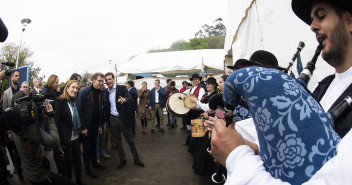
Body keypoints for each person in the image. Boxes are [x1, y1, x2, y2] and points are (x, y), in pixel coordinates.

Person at [10, 97, 76, 185]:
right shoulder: (31, 131)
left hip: (29, 173)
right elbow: (55, 141)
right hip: (40, 176)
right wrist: (50, 117)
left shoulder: (16, 128)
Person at [103, 72, 145, 169]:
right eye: (106, 80)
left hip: (123, 119)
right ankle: (122, 159)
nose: (108, 81)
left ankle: (136, 158)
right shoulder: (105, 91)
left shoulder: (121, 88)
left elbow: (130, 98)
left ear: (113, 79)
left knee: (130, 140)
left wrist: (124, 99)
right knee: (117, 142)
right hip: (112, 119)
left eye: (109, 79)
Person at [54, 80, 86, 185]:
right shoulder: (60, 101)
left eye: (77, 88)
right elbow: (57, 123)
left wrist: (80, 139)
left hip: (76, 138)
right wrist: (59, 143)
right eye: (73, 87)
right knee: (67, 166)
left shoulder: (74, 102)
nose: (75, 90)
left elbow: (78, 121)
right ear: (67, 88)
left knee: (78, 163)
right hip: (66, 140)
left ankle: (79, 181)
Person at [77, 72, 106, 179]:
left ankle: (95, 163)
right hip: (86, 127)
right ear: (93, 80)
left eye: (102, 81)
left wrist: (99, 125)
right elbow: (80, 110)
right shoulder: (84, 92)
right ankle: (88, 169)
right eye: (99, 81)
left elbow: (100, 110)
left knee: (94, 146)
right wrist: (83, 127)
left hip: (95, 126)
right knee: (87, 148)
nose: (101, 83)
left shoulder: (101, 92)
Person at [1, 69, 23, 180]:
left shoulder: (21, 91)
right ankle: (15, 167)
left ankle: (21, 167)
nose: (18, 77)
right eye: (16, 76)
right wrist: (8, 131)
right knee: (12, 149)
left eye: (19, 76)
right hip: (11, 127)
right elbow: (5, 112)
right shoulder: (6, 93)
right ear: (11, 78)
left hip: (20, 127)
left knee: (21, 150)